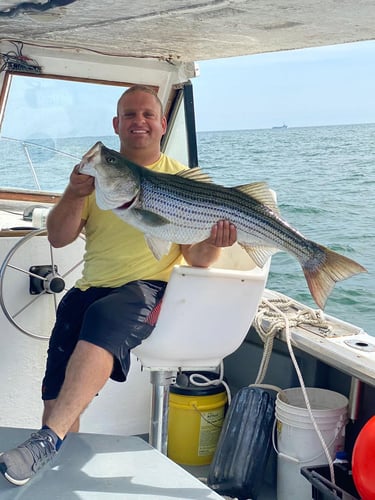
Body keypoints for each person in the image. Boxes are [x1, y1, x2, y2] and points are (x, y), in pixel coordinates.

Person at [0, 84, 237, 486]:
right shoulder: (97, 178)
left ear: (163, 123)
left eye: (147, 114)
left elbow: (196, 259)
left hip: (149, 289)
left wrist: (215, 243)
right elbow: (58, 237)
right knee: (57, 388)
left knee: (104, 315)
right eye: (129, 115)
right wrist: (75, 194)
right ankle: (51, 463)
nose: (138, 121)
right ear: (117, 124)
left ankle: (46, 441)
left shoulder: (182, 179)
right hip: (92, 286)